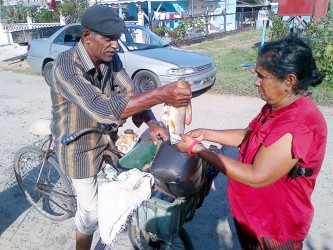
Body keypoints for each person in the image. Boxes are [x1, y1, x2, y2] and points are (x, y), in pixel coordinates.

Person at [49, 5, 191, 250]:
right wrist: (161, 94)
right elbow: (103, 109)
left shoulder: (110, 59)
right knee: (91, 214)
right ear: (86, 36)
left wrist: (152, 122)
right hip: (78, 147)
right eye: (108, 39)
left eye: (117, 39)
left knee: (116, 188)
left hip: (105, 141)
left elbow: (131, 93)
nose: (115, 45)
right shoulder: (65, 66)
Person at [176, 36, 327, 249]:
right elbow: (250, 135)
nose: (256, 81)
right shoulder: (276, 106)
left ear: (289, 81)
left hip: (274, 228)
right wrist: (207, 133)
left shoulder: (298, 123)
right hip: (253, 217)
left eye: (261, 76)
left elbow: (257, 176)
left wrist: (198, 150)